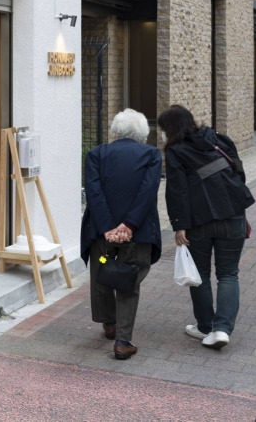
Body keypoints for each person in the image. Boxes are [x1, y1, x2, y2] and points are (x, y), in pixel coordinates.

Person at [159, 104, 253, 350]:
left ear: (169, 129)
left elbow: (176, 190)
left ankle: (205, 327)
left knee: (200, 276)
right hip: (233, 215)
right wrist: (240, 213)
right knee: (228, 273)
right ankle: (222, 329)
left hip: (197, 221)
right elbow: (238, 174)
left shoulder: (175, 151)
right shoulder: (219, 140)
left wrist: (179, 226)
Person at [81, 109, 162, 360]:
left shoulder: (97, 154)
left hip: (102, 237)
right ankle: (123, 341)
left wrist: (107, 227)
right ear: (143, 134)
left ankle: (109, 323)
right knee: (129, 280)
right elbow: (148, 192)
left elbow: (93, 192)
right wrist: (129, 225)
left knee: (102, 272)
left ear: (115, 131)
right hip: (136, 236)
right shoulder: (151, 154)